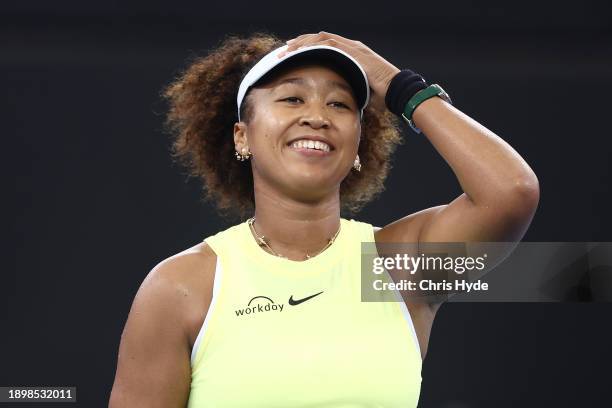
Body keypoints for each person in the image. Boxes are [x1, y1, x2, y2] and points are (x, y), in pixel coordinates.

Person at [109, 31, 539, 407]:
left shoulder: (395, 268)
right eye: (293, 98)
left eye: (339, 104)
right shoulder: (184, 286)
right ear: (243, 136)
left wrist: (397, 86)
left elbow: (509, 192)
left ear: (357, 146)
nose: (317, 116)